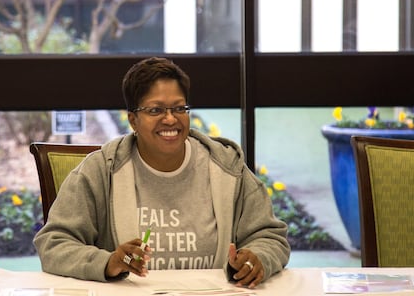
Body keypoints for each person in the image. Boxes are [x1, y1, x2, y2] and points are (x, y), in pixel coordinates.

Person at [33, 57, 290, 287]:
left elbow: (269, 236)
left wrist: (258, 258)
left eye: (179, 108)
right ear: (132, 120)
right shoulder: (101, 170)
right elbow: (54, 243)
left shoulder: (226, 166)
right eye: (155, 110)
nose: (170, 119)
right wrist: (108, 262)